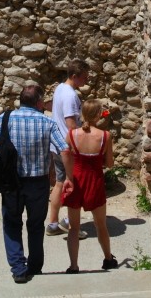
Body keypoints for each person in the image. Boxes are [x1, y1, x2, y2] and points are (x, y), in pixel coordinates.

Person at [0, 85, 73, 284]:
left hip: (12, 182)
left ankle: (18, 268)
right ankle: (35, 266)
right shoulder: (47, 122)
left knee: (12, 223)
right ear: (39, 102)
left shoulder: (5, 119)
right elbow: (64, 150)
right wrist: (70, 177)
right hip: (38, 183)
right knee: (35, 225)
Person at [63, 99, 117, 272]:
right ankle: (108, 259)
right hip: (94, 180)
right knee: (100, 224)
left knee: (73, 227)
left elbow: (67, 157)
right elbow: (109, 164)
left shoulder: (71, 134)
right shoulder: (105, 136)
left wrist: (67, 177)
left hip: (76, 179)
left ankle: (73, 265)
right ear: (99, 114)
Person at [47, 59, 90, 237]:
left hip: (56, 144)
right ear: (74, 76)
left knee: (59, 183)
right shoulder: (71, 96)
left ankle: (52, 223)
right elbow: (71, 124)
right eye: (84, 78)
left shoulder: (59, 88)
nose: (86, 81)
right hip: (69, 147)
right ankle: (72, 225)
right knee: (74, 185)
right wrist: (86, 130)